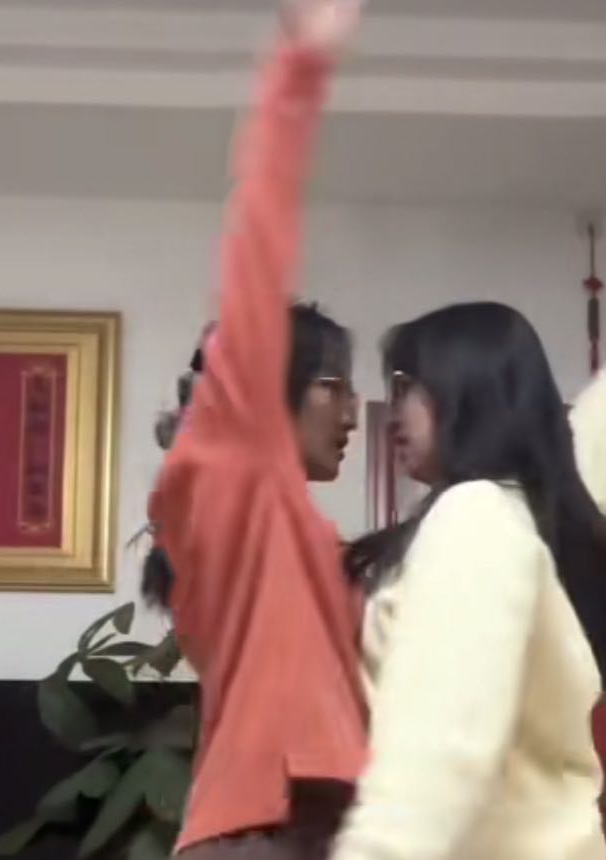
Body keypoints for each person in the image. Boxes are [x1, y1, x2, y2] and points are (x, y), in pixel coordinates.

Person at [148, 2, 367, 859]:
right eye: (333, 386)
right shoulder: (230, 475)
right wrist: (297, 73)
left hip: (325, 822)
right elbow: (255, 256)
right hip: (262, 829)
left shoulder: (302, 533)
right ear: (266, 391)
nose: (353, 413)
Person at [333, 300, 606, 860]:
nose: (391, 413)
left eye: (406, 387)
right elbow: (594, 442)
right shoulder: (524, 515)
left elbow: (440, 746)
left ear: (467, 390)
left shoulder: (475, 518)